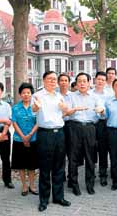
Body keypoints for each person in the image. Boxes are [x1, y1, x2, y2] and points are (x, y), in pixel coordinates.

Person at [32, 71, 71, 212]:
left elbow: (65, 112)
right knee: (44, 168)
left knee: (59, 167)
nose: (53, 81)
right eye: (49, 79)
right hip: (45, 134)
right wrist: (36, 106)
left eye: (55, 79)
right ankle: (43, 200)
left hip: (59, 133)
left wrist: (65, 108)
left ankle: (58, 197)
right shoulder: (37, 95)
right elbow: (33, 110)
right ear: (43, 80)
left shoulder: (60, 96)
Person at [67, 72, 104, 196]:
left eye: (84, 81)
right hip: (74, 127)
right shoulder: (71, 96)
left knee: (90, 158)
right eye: (79, 81)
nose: (82, 83)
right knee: (73, 158)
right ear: (76, 84)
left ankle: (90, 184)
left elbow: (101, 112)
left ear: (89, 83)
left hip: (90, 128)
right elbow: (67, 113)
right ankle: (74, 184)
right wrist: (74, 110)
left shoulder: (95, 97)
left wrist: (101, 111)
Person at [11, 82, 38, 196]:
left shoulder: (35, 107)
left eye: (28, 92)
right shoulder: (15, 108)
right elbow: (14, 123)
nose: (26, 95)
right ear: (20, 94)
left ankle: (32, 185)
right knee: (21, 165)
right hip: (18, 139)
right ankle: (24, 186)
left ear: (31, 94)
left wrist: (30, 135)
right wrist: (23, 137)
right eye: (23, 93)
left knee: (32, 165)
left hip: (33, 139)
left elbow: (38, 122)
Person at [91, 71, 109, 186]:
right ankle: (91, 174)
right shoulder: (89, 93)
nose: (101, 81)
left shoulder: (109, 95)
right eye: (99, 79)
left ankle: (103, 175)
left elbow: (110, 112)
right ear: (95, 80)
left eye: (103, 80)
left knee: (103, 151)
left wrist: (103, 112)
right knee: (91, 151)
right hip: (91, 125)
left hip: (103, 124)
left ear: (105, 82)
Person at [57, 73, 72, 182]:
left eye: (66, 80)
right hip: (58, 125)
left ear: (69, 82)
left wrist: (67, 112)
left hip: (70, 125)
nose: (63, 82)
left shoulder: (72, 96)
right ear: (58, 83)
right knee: (60, 152)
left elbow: (72, 112)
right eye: (61, 80)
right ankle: (60, 175)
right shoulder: (55, 96)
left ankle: (71, 176)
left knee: (71, 152)